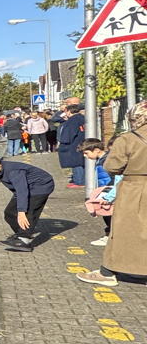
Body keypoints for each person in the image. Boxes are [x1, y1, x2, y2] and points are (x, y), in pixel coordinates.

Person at [77, 101, 147, 288]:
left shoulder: (128, 139)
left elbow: (112, 166)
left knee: (122, 230)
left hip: (135, 188)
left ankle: (107, 272)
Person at [0, 155, 54, 253]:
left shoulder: (14, 172)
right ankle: (21, 234)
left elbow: (22, 191)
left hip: (41, 186)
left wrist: (21, 211)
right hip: (26, 188)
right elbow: (18, 190)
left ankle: (24, 240)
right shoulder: (0, 170)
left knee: (28, 213)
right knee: (9, 213)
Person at [79, 138, 114, 246]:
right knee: (106, 214)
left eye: (86, 153)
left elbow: (112, 178)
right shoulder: (102, 160)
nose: (85, 156)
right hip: (105, 191)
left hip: (108, 192)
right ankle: (109, 234)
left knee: (109, 214)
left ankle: (110, 236)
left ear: (97, 150)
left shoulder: (106, 161)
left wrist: (107, 194)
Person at [57, 104, 87, 187]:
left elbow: (68, 133)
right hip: (81, 142)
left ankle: (79, 181)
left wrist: (63, 142)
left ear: (69, 111)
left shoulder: (72, 120)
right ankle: (79, 180)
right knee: (81, 162)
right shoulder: (81, 118)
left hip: (74, 144)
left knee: (76, 162)